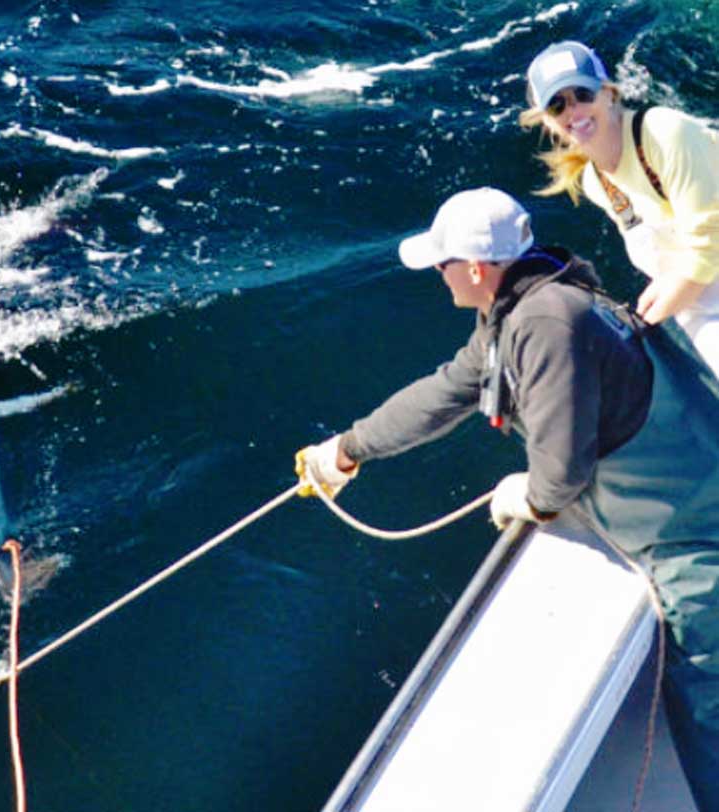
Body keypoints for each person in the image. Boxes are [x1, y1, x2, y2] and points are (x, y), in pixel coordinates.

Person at [295, 186, 719, 811]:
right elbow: (447, 391)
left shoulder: (544, 324)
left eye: (442, 264)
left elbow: (558, 481)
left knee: (703, 691)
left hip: (695, 526)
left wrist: (526, 497)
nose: (437, 276)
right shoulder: (528, 300)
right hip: (686, 492)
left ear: (474, 268)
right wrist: (348, 450)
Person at [520, 40, 719, 376]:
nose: (574, 111)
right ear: (547, 122)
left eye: (583, 94)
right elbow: (674, 257)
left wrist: (642, 325)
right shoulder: (596, 183)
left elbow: (709, 243)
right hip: (699, 297)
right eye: (557, 105)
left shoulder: (663, 133)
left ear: (609, 93)